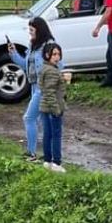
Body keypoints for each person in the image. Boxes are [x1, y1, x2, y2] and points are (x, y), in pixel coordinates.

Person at [7, 17, 58, 162]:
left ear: (39, 30)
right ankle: (48, 154)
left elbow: (59, 66)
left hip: (44, 88)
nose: (30, 33)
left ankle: (31, 153)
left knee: (29, 118)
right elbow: (25, 64)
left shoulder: (49, 46)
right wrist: (14, 53)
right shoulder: (33, 45)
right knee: (42, 120)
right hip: (34, 86)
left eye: (32, 30)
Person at [38, 43, 68, 173]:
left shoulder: (45, 68)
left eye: (58, 54)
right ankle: (56, 162)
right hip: (53, 108)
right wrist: (56, 110)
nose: (57, 57)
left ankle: (47, 160)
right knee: (56, 135)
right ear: (47, 55)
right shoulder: (52, 72)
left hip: (45, 107)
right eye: (54, 54)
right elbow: (50, 92)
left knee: (47, 134)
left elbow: (43, 88)